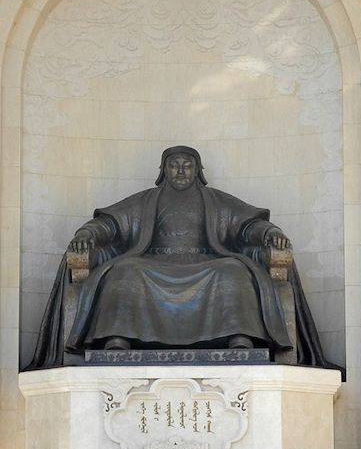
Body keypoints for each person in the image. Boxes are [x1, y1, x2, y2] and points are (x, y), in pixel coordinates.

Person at [27, 146, 334, 371]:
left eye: (187, 166)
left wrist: (270, 233)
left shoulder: (215, 200)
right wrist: (87, 235)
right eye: (174, 166)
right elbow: (110, 224)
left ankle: (240, 337)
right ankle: (116, 338)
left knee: (233, 271)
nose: (181, 171)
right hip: (152, 262)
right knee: (124, 271)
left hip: (207, 261)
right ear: (164, 170)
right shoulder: (147, 200)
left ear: (197, 170)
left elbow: (247, 225)